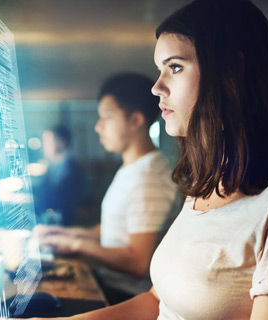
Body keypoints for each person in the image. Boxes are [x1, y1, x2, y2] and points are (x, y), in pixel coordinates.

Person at [28, 0, 268, 319]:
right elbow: (160, 301)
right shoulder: (207, 185)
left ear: (231, 73)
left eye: (176, 67)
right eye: (161, 69)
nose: (157, 87)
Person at [37, 73, 178, 304]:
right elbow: (115, 229)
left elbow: (138, 262)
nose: (98, 126)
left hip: (126, 295)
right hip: (109, 285)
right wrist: (65, 235)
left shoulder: (148, 177)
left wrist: (77, 245)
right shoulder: (132, 168)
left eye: (107, 117)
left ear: (135, 121)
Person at [33, 125, 86, 226]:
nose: (44, 147)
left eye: (48, 142)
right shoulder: (52, 166)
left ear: (62, 142)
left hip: (63, 223)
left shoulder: (72, 169)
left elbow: (66, 202)